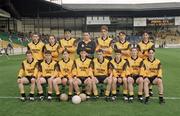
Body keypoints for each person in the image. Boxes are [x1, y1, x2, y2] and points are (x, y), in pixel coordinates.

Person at [137, 31, 155, 96]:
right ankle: (142, 89)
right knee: (143, 75)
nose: (145, 36)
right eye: (144, 35)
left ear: (148, 36)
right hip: (142, 62)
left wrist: (143, 52)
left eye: (146, 35)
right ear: (142, 36)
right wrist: (146, 53)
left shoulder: (151, 44)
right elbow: (139, 54)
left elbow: (152, 54)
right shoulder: (139, 44)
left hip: (149, 62)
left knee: (149, 74)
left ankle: (150, 89)